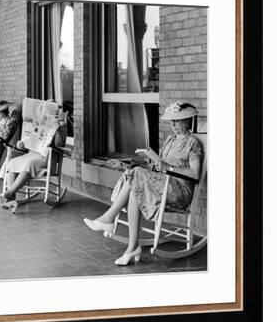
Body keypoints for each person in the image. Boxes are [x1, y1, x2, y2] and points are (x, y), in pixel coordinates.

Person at [83, 101, 204, 266]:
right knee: (135, 186)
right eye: (172, 121)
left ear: (187, 121)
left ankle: (108, 218)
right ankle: (132, 247)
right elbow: (158, 167)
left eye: (177, 121)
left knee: (137, 176)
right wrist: (141, 163)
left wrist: (167, 167)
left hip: (179, 190)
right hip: (162, 184)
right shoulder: (170, 140)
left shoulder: (193, 143)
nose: (173, 124)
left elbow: (195, 172)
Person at [0, 104, 67, 211]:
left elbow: (59, 145)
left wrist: (57, 130)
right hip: (31, 154)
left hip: (46, 157)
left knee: (29, 164)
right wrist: (21, 144)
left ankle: (10, 192)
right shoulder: (38, 123)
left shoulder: (61, 125)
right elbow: (28, 141)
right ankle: (12, 199)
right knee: (12, 163)